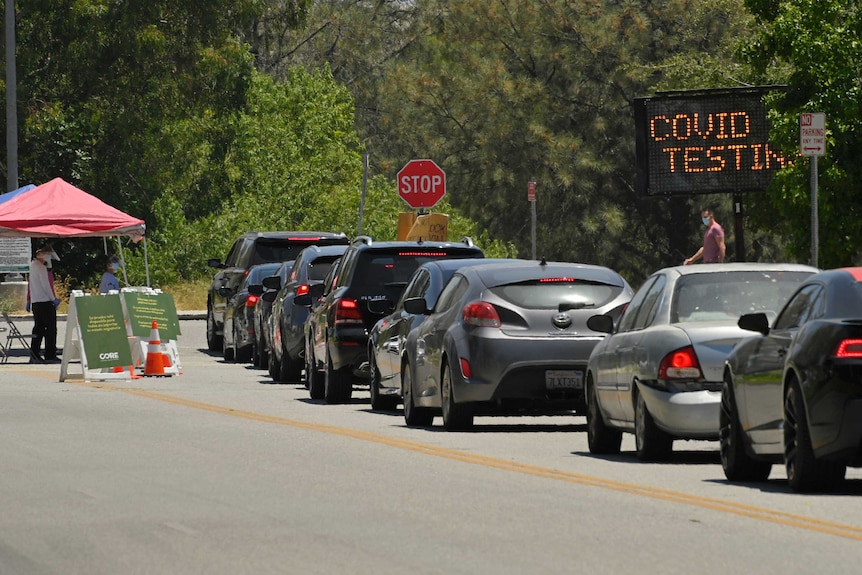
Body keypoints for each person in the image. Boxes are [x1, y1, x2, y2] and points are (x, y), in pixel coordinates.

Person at [27, 244, 61, 363]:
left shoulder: (32, 265)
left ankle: (34, 353)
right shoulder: (40, 267)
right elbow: (46, 286)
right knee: (51, 329)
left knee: (39, 328)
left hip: (36, 302)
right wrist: (53, 299)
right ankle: (50, 354)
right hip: (45, 302)